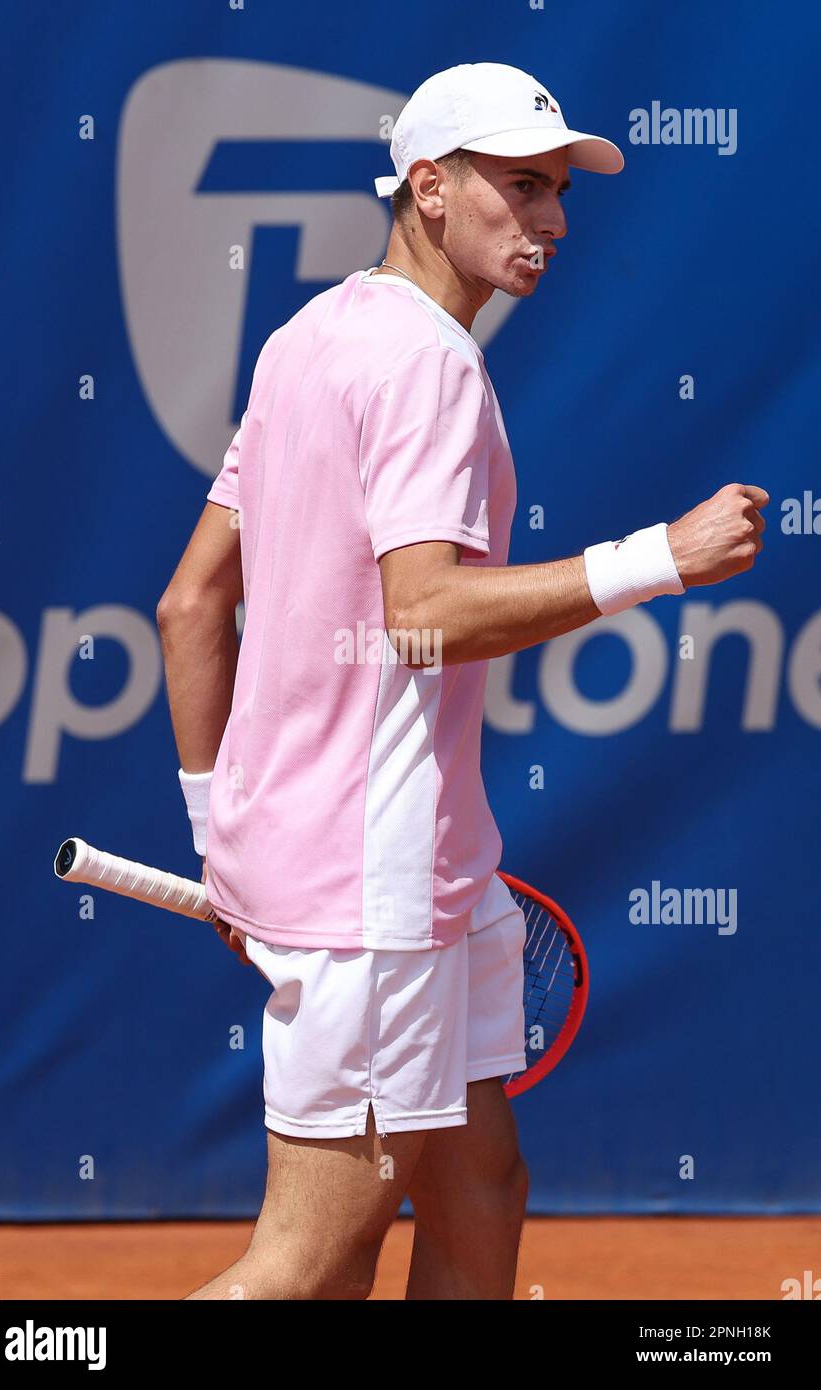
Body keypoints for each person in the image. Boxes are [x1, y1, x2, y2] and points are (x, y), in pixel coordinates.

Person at [156, 62, 767, 1300]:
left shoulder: (303, 339)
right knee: (308, 1260)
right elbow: (422, 614)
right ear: (427, 189)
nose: (550, 219)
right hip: (373, 887)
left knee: (481, 1186)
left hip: (402, 870)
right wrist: (660, 557)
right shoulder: (431, 364)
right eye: (521, 186)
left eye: (556, 192)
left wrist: (224, 839)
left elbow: (187, 605)